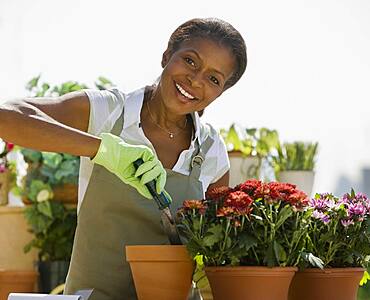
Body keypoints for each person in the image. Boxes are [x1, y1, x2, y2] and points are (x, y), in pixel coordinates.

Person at [0, 17, 247, 299]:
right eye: (190, 61)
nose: (195, 79)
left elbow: (221, 249)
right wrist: (103, 150)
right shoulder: (109, 112)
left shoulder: (211, 149)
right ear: (167, 55)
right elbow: (8, 118)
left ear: (220, 92)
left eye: (213, 79)